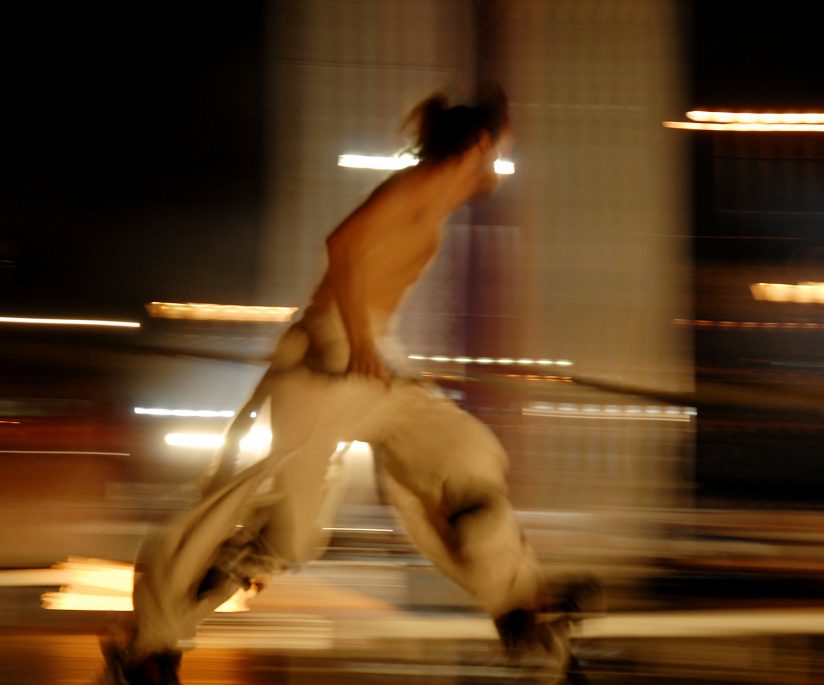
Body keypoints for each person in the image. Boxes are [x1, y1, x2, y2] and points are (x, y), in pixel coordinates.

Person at [100, 85, 600, 685]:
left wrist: (375, 346)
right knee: (278, 527)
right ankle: (149, 645)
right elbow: (342, 246)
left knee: (462, 454)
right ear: (478, 145)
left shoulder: (434, 203)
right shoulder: (416, 187)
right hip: (326, 364)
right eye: (499, 152)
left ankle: (520, 607)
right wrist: (361, 341)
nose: (499, 168)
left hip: (369, 367)